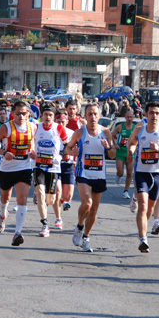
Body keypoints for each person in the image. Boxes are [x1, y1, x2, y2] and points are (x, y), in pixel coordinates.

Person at [126, 101, 159, 253]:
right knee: (142, 205)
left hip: (157, 174)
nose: (154, 116)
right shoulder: (139, 129)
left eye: (157, 113)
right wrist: (131, 150)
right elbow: (132, 143)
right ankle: (143, 239)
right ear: (146, 115)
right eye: (151, 113)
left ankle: (145, 228)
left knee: (149, 209)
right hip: (141, 172)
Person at [66, 102, 117, 252]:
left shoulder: (106, 132)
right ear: (85, 116)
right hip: (84, 173)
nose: (93, 117)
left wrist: (108, 147)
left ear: (99, 116)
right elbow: (68, 148)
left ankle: (86, 237)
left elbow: (113, 155)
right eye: (90, 114)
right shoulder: (80, 133)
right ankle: (79, 226)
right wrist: (72, 152)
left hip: (99, 175)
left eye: (95, 114)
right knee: (87, 203)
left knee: (94, 210)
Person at [0, 101, 37, 245]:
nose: (21, 116)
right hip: (7, 169)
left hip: (24, 167)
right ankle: (3, 215)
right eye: (18, 113)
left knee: (22, 200)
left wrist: (32, 151)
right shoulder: (6, 128)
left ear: (28, 112)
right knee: (5, 198)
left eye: (24, 113)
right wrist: (4, 153)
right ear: (13, 113)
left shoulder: (32, 126)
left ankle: (17, 233)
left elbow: (31, 142)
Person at [31, 105, 69, 237]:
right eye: (46, 114)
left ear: (54, 117)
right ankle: (45, 225)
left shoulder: (59, 128)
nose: (48, 117)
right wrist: (31, 151)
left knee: (51, 200)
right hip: (38, 166)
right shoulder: (36, 127)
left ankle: (54, 215)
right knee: (41, 193)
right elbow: (29, 142)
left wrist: (60, 156)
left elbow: (68, 145)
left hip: (53, 167)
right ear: (41, 116)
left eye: (51, 115)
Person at [54, 110, 76, 213]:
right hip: (55, 166)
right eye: (58, 121)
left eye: (63, 121)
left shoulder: (72, 133)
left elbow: (75, 149)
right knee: (58, 192)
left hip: (68, 165)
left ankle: (64, 200)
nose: (60, 124)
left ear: (67, 121)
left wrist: (75, 160)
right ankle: (58, 219)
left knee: (67, 196)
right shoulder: (52, 132)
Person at [112, 109, 137, 199]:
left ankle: (126, 191)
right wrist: (114, 144)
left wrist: (136, 147)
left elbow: (139, 139)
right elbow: (111, 135)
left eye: (131, 117)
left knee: (130, 172)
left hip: (130, 153)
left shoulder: (136, 128)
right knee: (121, 172)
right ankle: (118, 175)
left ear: (133, 117)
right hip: (120, 152)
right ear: (125, 118)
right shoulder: (120, 127)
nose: (129, 119)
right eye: (128, 117)